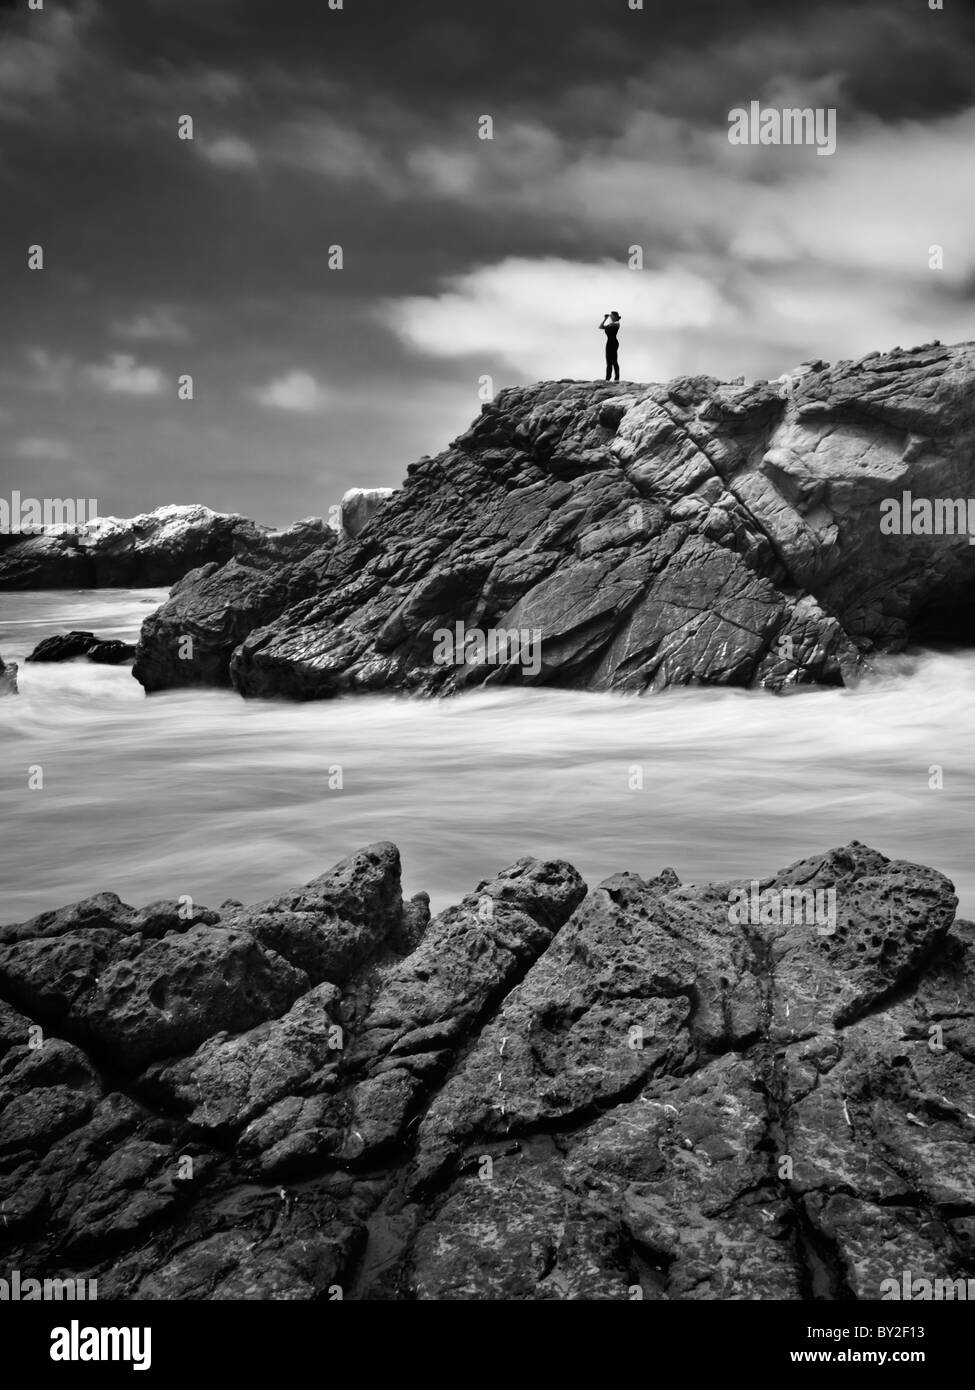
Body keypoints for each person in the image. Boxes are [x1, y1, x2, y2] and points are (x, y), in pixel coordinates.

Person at [600, 311, 621, 381]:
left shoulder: (616, 323)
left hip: (614, 343)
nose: (610, 317)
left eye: (612, 316)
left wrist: (610, 319)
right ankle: (607, 378)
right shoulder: (611, 324)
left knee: (614, 361)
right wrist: (605, 319)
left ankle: (617, 378)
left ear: (615, 316)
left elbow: (611, 325)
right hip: (609, 343)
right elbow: (601, 327)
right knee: (608, 362)